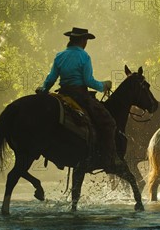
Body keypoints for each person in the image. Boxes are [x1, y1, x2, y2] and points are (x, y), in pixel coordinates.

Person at [36, 27, 119, 172]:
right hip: (80, 96)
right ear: (82, 40)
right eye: (86, 39)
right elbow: (88, 81)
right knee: (109, 122)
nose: (86, 42)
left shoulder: (60, 56)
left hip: (63, 94)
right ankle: (109, 158)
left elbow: (51, 79)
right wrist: (103, 85)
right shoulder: (84, 56)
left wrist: (44, 90)